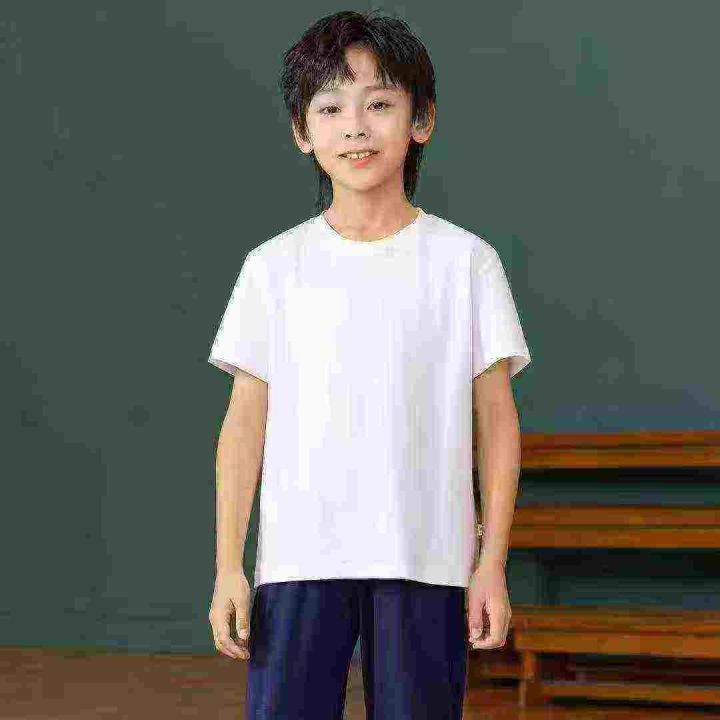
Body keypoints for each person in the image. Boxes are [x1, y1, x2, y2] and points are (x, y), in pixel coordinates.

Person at [208, 10, 531, 719]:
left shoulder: (466, 263)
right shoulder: (273, 268)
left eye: (379, 104)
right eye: (330, 109)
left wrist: (491, 564)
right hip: (298, 559)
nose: (354, 127)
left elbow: (497, 425)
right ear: (302, 133)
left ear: (422, 121)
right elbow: (244, 427)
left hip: (427, 558)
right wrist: (230, 565)